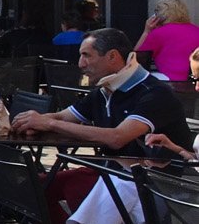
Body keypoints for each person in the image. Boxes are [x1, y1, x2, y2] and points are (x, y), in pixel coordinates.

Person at [12, 28, 194, 157]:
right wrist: (34, 122)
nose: (80, 64)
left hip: (158, 185)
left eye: (87, 55)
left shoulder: (154, 93)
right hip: (116, 174)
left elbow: (117, 138)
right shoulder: (103, 91)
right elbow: (62, 117)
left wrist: (49, 123)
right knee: (41, 188)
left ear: (112, 56)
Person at [135, 0, 199, 82]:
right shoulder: (196, 30)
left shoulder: (158, 33)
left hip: (170, 81)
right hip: (194, 80)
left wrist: (146, 32)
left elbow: (136, 58)